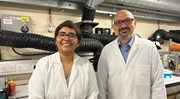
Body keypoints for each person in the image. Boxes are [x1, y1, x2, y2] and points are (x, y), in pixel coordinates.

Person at [97, 10, 167, 99]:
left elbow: (158, 84)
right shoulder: (107, 51)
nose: (123, 25)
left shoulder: (149, 48)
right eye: (118, 22)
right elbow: (101, 86)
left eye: (128, 21)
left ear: (135, 23)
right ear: (114, 27)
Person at [28, 20, 99, 99]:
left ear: (78, 42)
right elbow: (35, 96)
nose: (66, 38)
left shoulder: (87, 66)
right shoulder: (43, 64)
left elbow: (93, 95)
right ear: (55, 40)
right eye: (62, 34)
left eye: (72, 35)